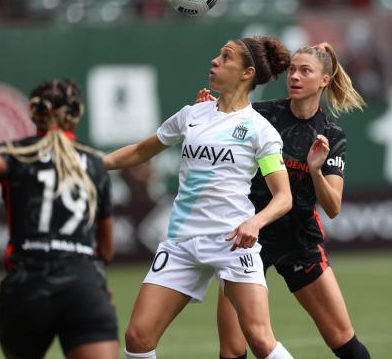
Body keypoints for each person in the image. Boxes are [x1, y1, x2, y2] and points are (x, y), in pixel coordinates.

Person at [103, 36, 295, 359]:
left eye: (226, 57)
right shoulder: (192, 114)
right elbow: (139, 151)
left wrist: (255, 222)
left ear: (247, 73)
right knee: (138, 338)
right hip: (182, 242)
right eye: (217, 55)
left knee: (260, 340)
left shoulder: (259, 130)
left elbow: (284, 197)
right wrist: (95, 163)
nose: (214, 61)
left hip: (233, 242)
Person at [198, 42, 371, 359]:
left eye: (305, 71)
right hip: (248, 238)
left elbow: (332, 207)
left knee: (344, 341)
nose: (295, 76)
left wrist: (316, 171)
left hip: (299, 241)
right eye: (292, 69)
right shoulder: (262, 115)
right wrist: (208, 113)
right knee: (232, 349)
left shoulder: (331, 135)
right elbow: (219, 126)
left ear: (323, 80)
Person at [0, 79, 118, 359]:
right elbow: (106, 251)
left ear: (34, 113)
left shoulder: (13, 153)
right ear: (77, 114)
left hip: (27, 288)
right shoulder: (94, 164)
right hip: (83, 288)